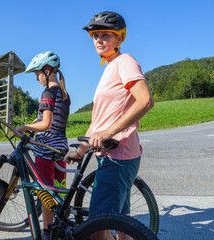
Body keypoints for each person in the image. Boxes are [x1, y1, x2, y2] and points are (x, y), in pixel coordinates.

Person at [64, 11, 154, 239]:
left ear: (119, 38)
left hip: (118, 154)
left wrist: (108, 132)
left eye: (106, 35)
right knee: (122, 219)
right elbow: (99, 120)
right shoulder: (109, 68)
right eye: (95, 35)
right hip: (114, 154)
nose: (99, 40)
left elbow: (145, 101)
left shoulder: (125, 62)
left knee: (96, 225)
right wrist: (82, 149)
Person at [15, 51, 70, 240]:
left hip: (46, 149)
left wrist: (23, 127)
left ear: (47, 71)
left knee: (45, 192)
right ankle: (62, 227)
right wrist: (32, 124)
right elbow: (45, 119)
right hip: (60, 148)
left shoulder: (47, 92)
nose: (37, 78)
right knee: (58, 190)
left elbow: (45, 124)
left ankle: (48, 233)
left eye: (37, 73)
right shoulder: (63, 92)